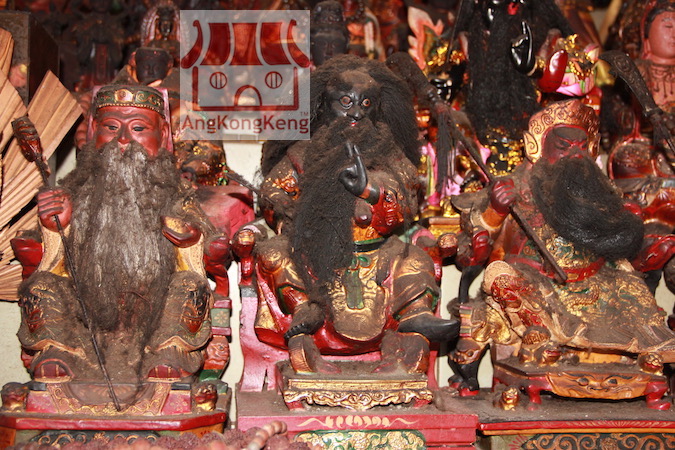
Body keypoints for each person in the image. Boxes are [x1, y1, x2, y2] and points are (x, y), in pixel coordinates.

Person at [449, 99, 675, 408]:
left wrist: (637, 241)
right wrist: (496, 211)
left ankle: (642, 354)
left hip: (596, 284)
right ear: (537, 147)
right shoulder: (516, 188)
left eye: (582, 147)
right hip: (537, 286)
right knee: (499, 276)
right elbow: (470, 254)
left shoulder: (600, 192)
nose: (575, 154)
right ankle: (539, 339)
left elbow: (617, 250)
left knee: (632, 285)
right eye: (564, 147)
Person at [13, 86, 221, 402]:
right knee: (40, 286)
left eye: (138, 128)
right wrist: (57, 227)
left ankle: (167, 356)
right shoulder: (75, 191)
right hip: (86, 317)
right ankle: (61, 354)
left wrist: (190, 240)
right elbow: (51, 261)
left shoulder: (176, 194)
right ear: (93, 131)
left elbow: (205, 249)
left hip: (154, 317)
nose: (123, 139)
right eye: (111, 127)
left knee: (190, 286)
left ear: (164, 135)